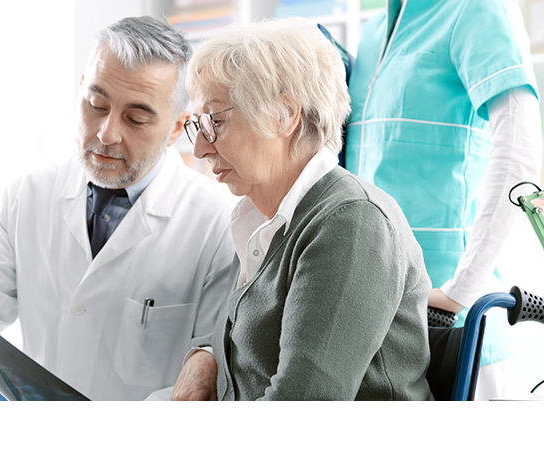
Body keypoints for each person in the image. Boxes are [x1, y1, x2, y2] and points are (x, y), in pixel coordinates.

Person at [0, 16, 236, 401]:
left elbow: (210, 384)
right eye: (96, 104)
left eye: (136, 118)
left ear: (176, 128)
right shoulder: (28, 196)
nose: (106, 134)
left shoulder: (218, 227)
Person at [170, 18, 434, 401]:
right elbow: (255, 357)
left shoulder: (352, 222)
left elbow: (304, 406)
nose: (200, 149)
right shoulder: (259, 219)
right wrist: (208, 357)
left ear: (284, 114)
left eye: (215, 122)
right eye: (199, 125)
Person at [344, 0, 543, 400]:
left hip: (454, 328)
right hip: (373, 321)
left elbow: (518, 160)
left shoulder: (477, 9)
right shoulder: (371, 31)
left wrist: (459, 293)